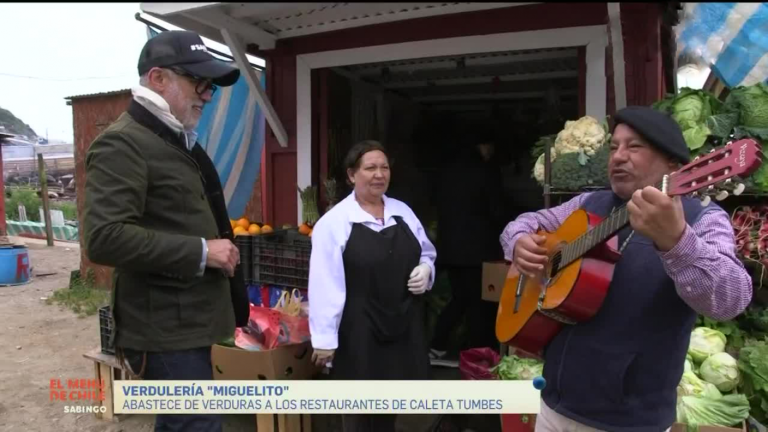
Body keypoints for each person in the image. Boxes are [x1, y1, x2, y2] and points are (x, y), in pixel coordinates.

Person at [499, 106, 753, 432]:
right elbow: (524, 223)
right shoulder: (587, 204)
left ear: (674, 165)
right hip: (553, 405)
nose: (618, 157)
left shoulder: (703, 218)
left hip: (629, 422)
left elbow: (731, 299)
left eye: (634, 147)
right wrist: (520, 240)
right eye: (614, 147)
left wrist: (676, 241)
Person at [82, 30, 248, 432]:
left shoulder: (171, 137)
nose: (207, 95)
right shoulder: (124, 143)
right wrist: (202, 252)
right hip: (165, 330)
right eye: (199, 82)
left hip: (188, 324)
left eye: (209, 85)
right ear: (158, 79)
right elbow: (104, 237)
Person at [308, 140, 437, 432]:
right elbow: (324, 283)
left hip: (402, 321)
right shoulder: (334, 223)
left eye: (384, 167)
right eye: (370, 168)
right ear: (352, 175)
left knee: (391, 403)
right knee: (358, 406)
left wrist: (426, 269)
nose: (379, 174)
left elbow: (427, 251)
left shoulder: (402, 211)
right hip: (359, 326)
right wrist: (325, 340)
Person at [429, 129, 505, 367]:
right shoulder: (484, 172)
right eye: (489, 146)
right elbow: (497, 210)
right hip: (477, 252)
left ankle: (438, 346)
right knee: (477, 304)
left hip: (450, 250)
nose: (491, 152)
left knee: (460, 298)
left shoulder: (446, 173)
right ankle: (475, 353)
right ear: (482, 146)